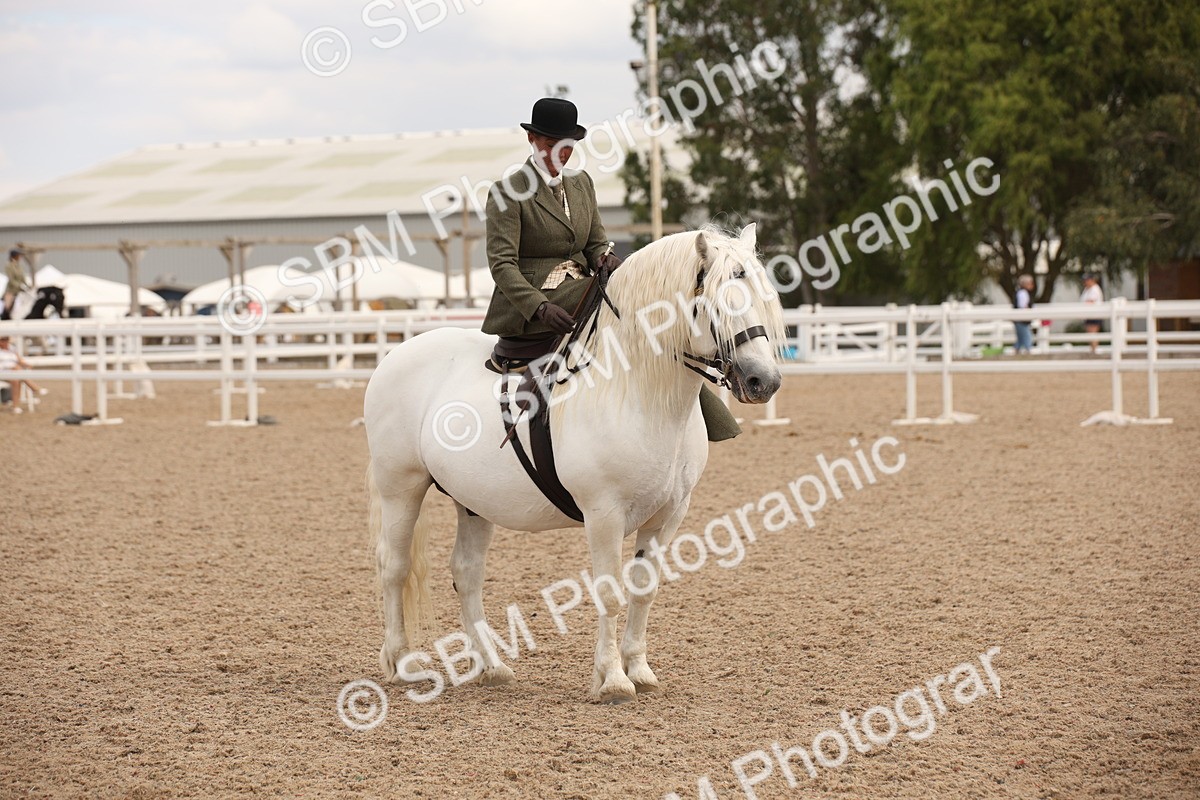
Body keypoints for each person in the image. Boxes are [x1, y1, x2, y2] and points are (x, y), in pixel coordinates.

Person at [482, 97, 741, 441]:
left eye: (568, 146)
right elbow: (502, 264)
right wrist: (539, 307)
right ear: (532, 139)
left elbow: (595, 244)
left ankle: (694, 404)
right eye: (551, 144)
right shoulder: (507, 192)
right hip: (535, 300)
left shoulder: (581, 183)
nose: (561, 153)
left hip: (582, 288)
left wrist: (607, 259)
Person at [0, 335, 47, 413]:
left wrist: (26, 364)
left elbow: (20, 360)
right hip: (3, 372)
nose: (5, 341)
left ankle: (15, 406)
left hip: (13, 372)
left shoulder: (12, 348)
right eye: (3, 340)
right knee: (16, 369)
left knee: (16, 378)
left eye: (6, 339)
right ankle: (34, 388)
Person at [1081, 273, 1104, 354]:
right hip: (1088, 314)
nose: (1086, 282)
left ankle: (1095, 349)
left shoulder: (1095, 289)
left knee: (1093, 332)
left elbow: (1090, 301)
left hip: (1095, 314)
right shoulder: (1087, 289)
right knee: (1089, 332)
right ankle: (1092, 349)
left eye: (1087, 280)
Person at [3, 250, 28, 321]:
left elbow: (22, 277)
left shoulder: (19, 266)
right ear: (14, 256)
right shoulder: (9, 266)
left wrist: (26, 285)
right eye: (18, 256)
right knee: (8, 306)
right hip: (11, 290)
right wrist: (19, 285)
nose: (20, 257)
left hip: (20, 290)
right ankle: (4, 317)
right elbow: (11, 279)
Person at [1012, 274, 1035, 354]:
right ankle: (1027, 352)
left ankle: (1017, 352)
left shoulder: (1021, 292)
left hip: (1020, 320)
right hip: (1022, 320)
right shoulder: (1023, 293)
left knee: (1020, 338)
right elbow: (1022, 306)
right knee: (1027, 337)